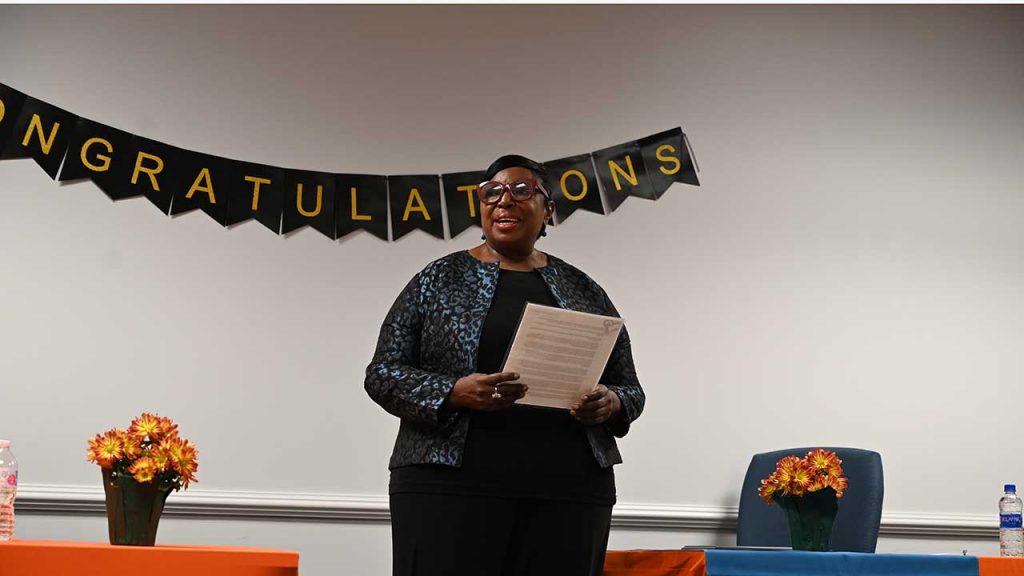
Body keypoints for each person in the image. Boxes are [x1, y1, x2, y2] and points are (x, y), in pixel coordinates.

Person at [365, 154, 645, 576]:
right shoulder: (437, 279)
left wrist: (610, 403)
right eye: (491, 193)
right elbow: (382, 373)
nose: (504, 201)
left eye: (521, 191)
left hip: (569, 490)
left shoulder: (583, 288)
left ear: (548, 209)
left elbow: (630, 388)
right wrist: (455, 392)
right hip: (448, 487)